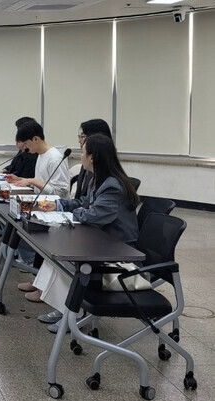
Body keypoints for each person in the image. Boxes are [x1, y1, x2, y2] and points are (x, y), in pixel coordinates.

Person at [34, 134, 140, 331]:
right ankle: (64, 308)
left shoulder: (112, 185)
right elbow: (85, 203)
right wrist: (59, 205)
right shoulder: (99, 179)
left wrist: (72, 213)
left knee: (68, 260)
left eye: (82, 152)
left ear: (92, 157)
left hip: (118, 254)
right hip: (103, 242)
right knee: (58, 256)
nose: (80, 155)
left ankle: (72, 315)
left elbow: (94, 215)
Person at [6, 120, 70, 302]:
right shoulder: (41, 155)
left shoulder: (54, 157)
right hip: (42, 207)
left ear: (36, 139)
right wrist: (21, 180)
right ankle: (37, 281)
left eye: (26, 144)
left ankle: (45, 289)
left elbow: (61, 191)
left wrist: (32, 181)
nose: (25, 148)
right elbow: (42, 184)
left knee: (43, 248)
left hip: (55, 212)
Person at [74, 119, 113, 200]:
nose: (79, 141)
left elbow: (91, 204)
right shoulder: (87, 165)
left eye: (83, 137)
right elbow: (82, 199)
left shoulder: (104, 173)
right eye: (79, 137)